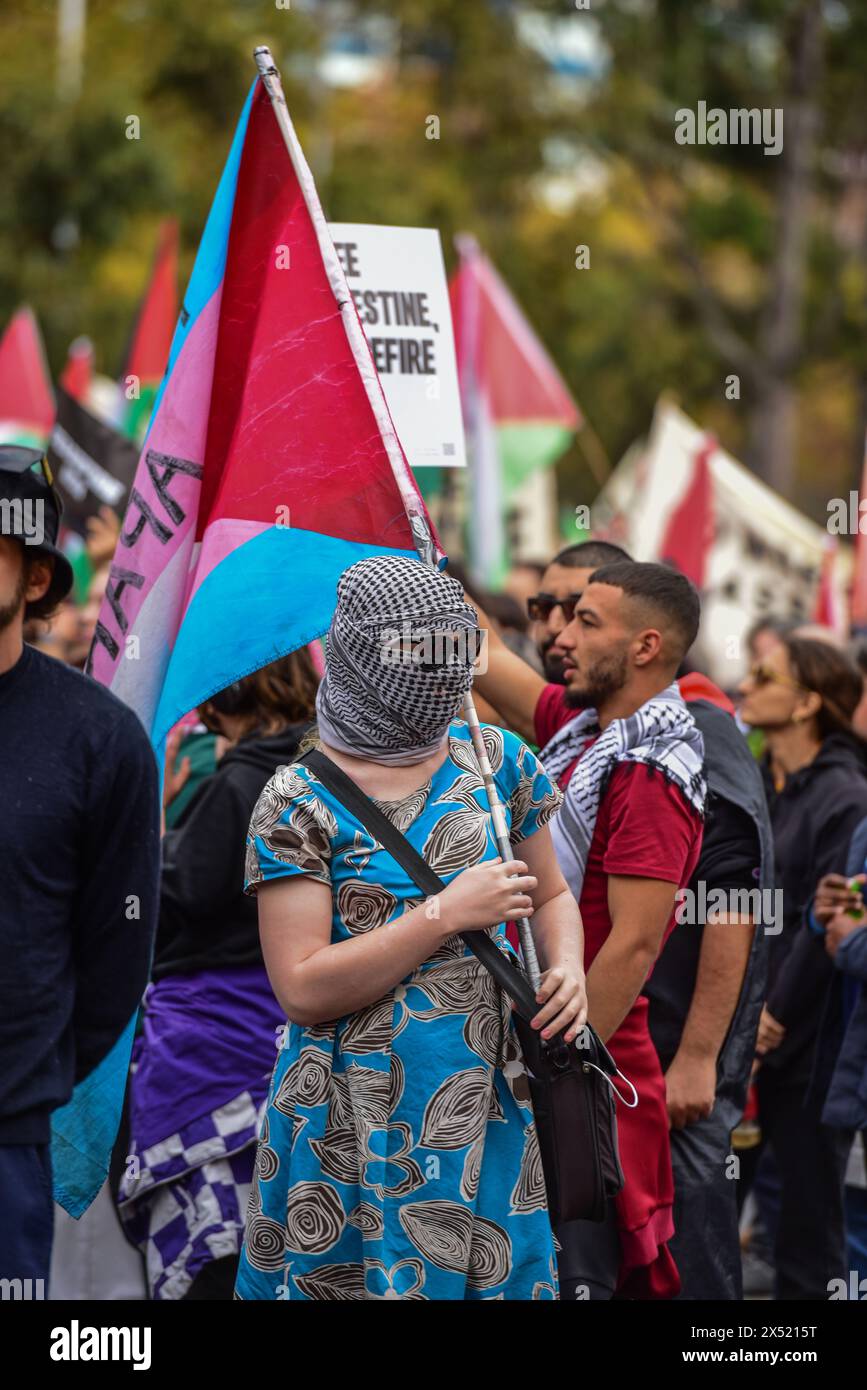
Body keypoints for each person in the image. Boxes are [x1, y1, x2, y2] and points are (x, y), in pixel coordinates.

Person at [235, 556, 586, 1301]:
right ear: (363, 658)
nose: (435, 685)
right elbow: (300, 988)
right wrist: (443, 915)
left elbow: (553, 896)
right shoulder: (297, 798)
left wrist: (567, 970)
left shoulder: (497, 765)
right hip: (349, 1120)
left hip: (480, 1102)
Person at [0, 445, 159, 1288]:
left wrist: (32, 1073)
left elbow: (118, 948)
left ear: (34, 580)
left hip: (8, 1131)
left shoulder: (98, 739)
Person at [117, 651, 320, 1300]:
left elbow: (183, 897)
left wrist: (143, 852)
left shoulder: (239, 784)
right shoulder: (320, 773)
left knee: (214, 1244)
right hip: (286, 1036)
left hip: (214, 1043)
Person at [737, 635, 867, 1299]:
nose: (745, 683)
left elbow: (828, 926)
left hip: (810, 1040)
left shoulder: (843, 794)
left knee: (808, 1234)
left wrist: (773, 1016)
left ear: (807, 702)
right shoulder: (776, 783)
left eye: (764, 675)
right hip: (764, 1032)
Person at [643, 686, 772, 1300]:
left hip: (676, 1062)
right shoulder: (592, 725)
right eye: (546, 609)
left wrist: (698, 1056)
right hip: (625, 1056)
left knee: (692, 1245)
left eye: (581, 615)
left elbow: (735, 903)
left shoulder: (698, 726)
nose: (558, 630)